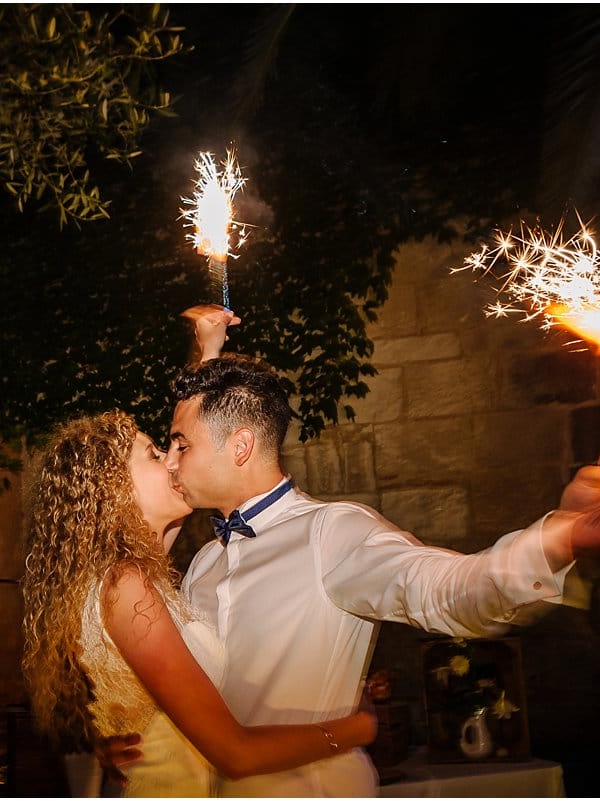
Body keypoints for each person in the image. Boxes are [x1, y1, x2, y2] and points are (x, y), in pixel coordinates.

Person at [156, 340, 600, 796]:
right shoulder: (204, 561)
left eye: (182, 444)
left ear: (241, 446)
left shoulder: (331, 533)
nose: (172, 461)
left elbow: (450, 592)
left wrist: (561, 536)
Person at [20, 313, 378, 796]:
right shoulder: (125, 585)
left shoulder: (138, 572)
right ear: (114, 493)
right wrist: (356, 729)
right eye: (153, 453)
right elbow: (236, 752)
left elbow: (201, 452)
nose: (172, 459)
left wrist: (207, 356)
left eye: (173, 446)